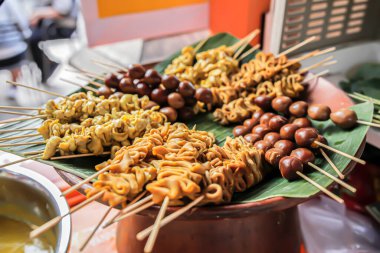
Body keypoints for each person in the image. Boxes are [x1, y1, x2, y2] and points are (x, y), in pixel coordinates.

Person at [29, 0, 78, 81]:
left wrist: (38, 14)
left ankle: (47, 66)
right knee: (29, 37)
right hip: (52, 24)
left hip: (63, 27)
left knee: (33, 39)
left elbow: (61, 11)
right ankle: (47, 63)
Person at [0, 0, 31, 99]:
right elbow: (22, 22)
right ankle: (14, 87)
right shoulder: (10, 2)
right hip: (13, 53)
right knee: (20, 46)